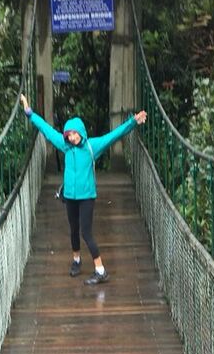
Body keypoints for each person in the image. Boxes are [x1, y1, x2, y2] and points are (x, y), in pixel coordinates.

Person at [20, 94, 147, 284]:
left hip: (87, 196)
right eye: (68, 135)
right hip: (70, 196)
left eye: (74, 133)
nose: (71, 137)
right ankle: (76, 260)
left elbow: (115, 136)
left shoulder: (92, 146)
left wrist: (133, 122)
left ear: (80, 132)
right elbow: (46, 130)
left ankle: (100, 270)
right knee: (73, 230)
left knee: (86, 232)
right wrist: (29, 113)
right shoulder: (65, 147)